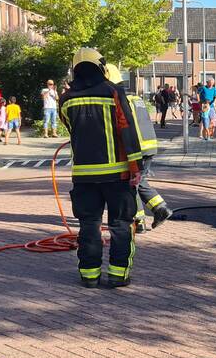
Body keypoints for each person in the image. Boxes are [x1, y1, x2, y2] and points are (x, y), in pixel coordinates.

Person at [61, 48, 142, 289]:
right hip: (116, 173)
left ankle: (89, 276)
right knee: (120, 224)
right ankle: (118, 275)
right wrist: (135, 166)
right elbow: (127, 128)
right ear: (101, 66)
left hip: (84, 175)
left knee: (88, 225)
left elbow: (69, 127)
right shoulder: (113, 92)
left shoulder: (66, 98)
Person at [105, 64, 172, 232]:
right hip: (150, 145)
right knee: (139, 181)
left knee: (131, 183)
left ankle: (140, 220)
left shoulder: (119, 100)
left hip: (136, 148)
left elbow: (122, 126)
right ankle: (158, 209)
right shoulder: (135, 98)